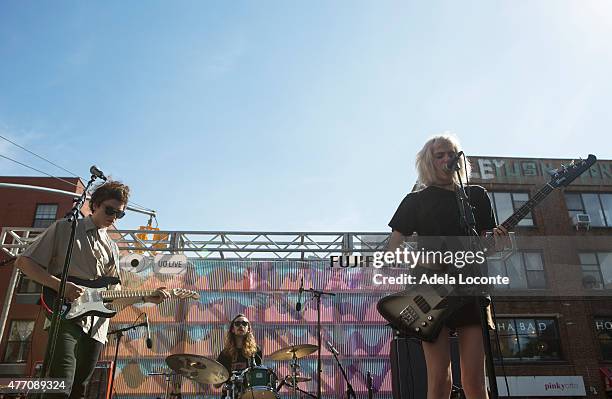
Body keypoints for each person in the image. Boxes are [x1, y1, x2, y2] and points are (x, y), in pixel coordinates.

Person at [15, 180, 171, 399]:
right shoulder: (65, 228)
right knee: (61, 383)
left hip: (97, 327)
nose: (114, 217)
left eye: (120, 214)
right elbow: (24, 263)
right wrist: (60, 286)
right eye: (110, 210)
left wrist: (145, 297)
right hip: (66, 316)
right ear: (95, 204)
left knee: (79, 388)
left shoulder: (113, 247)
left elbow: (112, 298)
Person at [386, 135, 508, 399]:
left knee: (475, 380)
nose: (446, 159)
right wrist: (422, 260)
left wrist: (500, 242)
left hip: (471, 290)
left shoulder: (476, 196)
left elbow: (488, 247)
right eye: (439, 155)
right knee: (440, 377)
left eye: (451, 154)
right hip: (428, 292)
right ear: (428, 161)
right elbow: (391, 250)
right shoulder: (414, 201)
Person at [216, 314, 263, 397]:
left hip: (249, 394)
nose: (241, 325)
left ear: (248, 329)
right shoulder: (225, 354)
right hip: (230, 394)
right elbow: (216, 385)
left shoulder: (255, 351)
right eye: (237, 323)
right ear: (232, 329)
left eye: (244, 323)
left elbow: (258, 376)